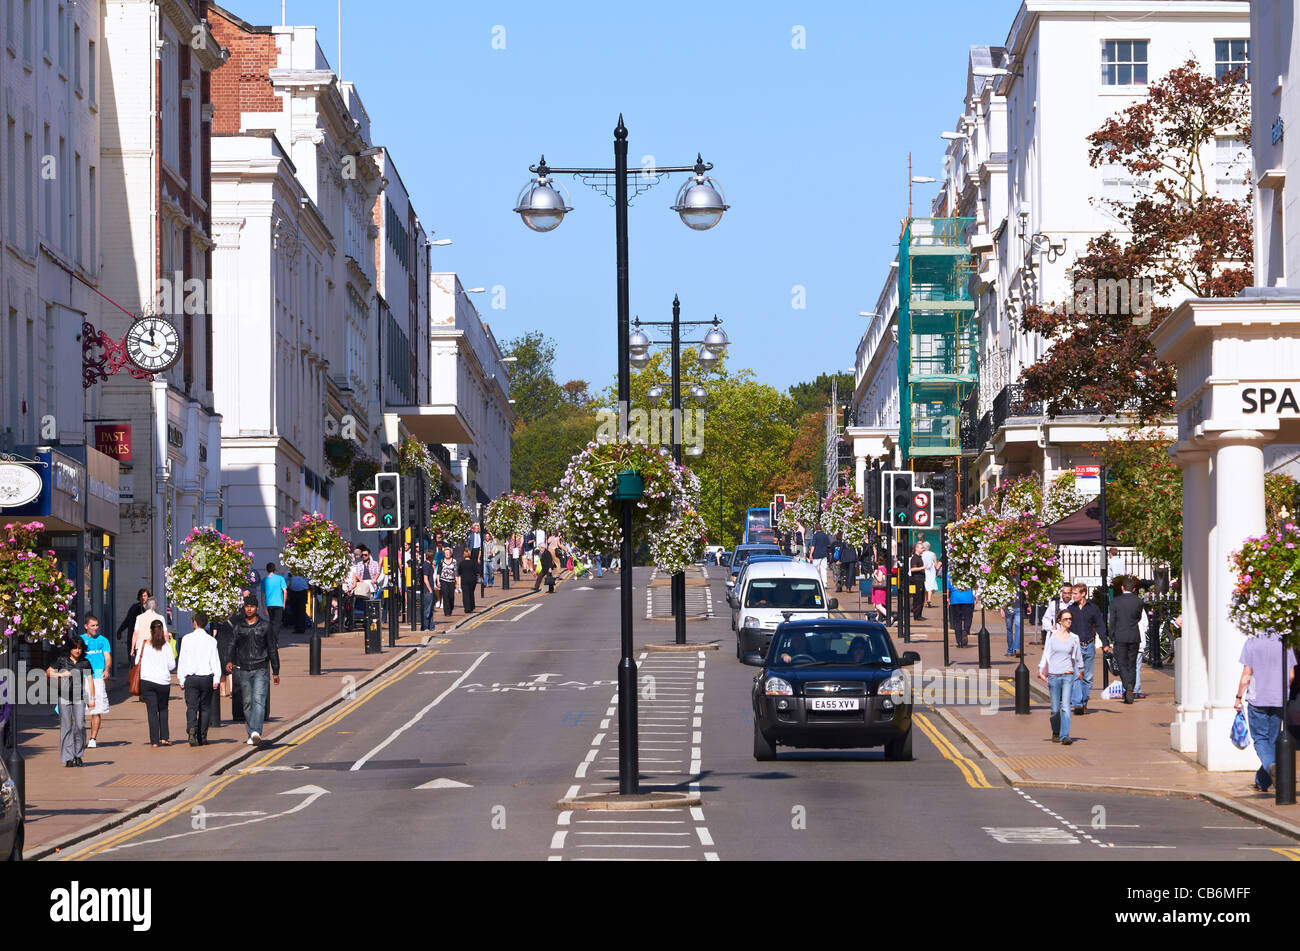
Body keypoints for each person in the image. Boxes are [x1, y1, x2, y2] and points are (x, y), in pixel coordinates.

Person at [1235, 633, 1297, 792]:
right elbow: (1291, 675)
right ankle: (1262, 781)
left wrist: (1238, 697)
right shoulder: (1285, 642)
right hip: (1279, 699)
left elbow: (1247, 673)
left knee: (1261, 740)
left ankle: (1271, 767)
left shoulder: (1252, 642)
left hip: (1258, 699)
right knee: (1272, 740)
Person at [227, 595, 280, 747]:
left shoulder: (265, 626)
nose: (249, 609)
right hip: (243, 668)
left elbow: (272, 648)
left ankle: (256, 731)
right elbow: (232, 644)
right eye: (246, 606)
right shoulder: (239, 626)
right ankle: (251, 733)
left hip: (260, 668)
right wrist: (229, 660)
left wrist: (275, 671)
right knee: (247, 702)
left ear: (257, 608)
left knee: (259, 700)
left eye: (252, 606)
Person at [1038, 610, 1083, 745]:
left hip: (1068, 674)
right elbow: (1046, 653)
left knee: (1065, 707)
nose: (1069, 621)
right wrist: (1041, 670)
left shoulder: (1074, 637)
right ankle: (1056, 731)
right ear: (1059, 621)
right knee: (1054, 709)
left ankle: (1065, 736)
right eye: (1066, 619)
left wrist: (1080, 670)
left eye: (1070, 619)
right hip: (1053, 676)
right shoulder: (1051, 635)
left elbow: (1078, 656)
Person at [47, 636, 94, 766]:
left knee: (80, 725)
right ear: (70, 649)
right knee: (66, 727)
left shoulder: (85, 662)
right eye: (75, 648)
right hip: (64, 697)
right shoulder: (62, 661)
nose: (77, 650)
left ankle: (78, 755)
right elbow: (48, 672)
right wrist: (60, 674)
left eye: (79, 648)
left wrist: (92, 698)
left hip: (79, 698)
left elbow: (90, 681)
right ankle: (68, 758)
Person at [177, 611, 221, 746]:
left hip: (191, 677)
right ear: (206, 623)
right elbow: (215, 660)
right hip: (206, 677)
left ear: (195, 623)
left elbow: (182, 660)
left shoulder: (186, 639)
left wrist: (181, 678)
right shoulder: (211, 640)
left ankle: (192, 728)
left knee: (191, 707)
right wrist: (216, 678)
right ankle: (202, 736)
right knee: (205, 708)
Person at [1063, 583, 1107, 715]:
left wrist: (1105, 643)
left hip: (1089, 646)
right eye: (1072, 593)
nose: (1073, 596)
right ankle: (1077, 704)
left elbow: (1100, 625)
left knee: (1088, 677)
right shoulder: (1071, 609)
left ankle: (1084, 702)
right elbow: (1065, 626)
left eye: (1075, 593)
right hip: (1076, 647)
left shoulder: (1093, 608)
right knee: (1077, 675)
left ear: (1083, 594)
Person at [135, 619, 176, 747]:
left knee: (151, 711)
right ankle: (164, 737)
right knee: (163, 709)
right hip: (163, 682)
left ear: (151, 630)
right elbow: (172, 665)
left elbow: (137, 662)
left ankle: (154, 741)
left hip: (147, 681)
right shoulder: (167, 646)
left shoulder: (144, 644)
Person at [1106, 576, 1145, 704]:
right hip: (1134, 636)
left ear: (1122, 588)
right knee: (1132, 664)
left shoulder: (1116, 602)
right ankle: (1130, 687)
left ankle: (1127, 685)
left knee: (1122, 664)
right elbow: (1138, 618)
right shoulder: (1139, 601)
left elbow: (1112, 621)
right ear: (1134, 589)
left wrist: (1111, 636)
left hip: (1120, 636)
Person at [80, 614, 111, 748]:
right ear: (86, 626)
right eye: (92, 625)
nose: (95, 628)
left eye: (97, 625)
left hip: (97, 675)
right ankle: (80, 738)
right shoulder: (80, 640)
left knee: (96, 708)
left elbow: (107, 657)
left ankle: (93, 738)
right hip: (83, 676)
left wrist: (106, 669)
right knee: (79, 708)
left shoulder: (103, 640)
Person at [131, 597, 167, 703]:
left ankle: (143, 693)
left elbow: (135, 633)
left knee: (142, 670)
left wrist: (132, 647)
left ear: (145, 606)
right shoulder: (160, 618)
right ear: (155, 606)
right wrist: (167, 646)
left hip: (141, 646)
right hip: (157, 645)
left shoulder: (139, 617)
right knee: (155, 667)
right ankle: (154, 691)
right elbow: (165, 633)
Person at [1040, 582, 1075, 647]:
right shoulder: (1054, 604)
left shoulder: (1075, 604)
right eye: (1065, 593)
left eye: (1069, 593)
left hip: (1071, 636)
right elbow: (1045, 619)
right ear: (1061, 593)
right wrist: (1051, 628)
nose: (1067, 595)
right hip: (1057, 636)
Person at [262, 562, 287, 638]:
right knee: (277, 623)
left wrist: (264, 607)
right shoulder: (280, 578)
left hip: (269, 604)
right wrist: (284, 603)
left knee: (272, 622)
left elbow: (262, 595)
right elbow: (285, 591)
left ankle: (272, 639)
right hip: (278, 604)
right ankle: (274, 640)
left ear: (267, 570)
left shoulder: (264, 580)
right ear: (275, 569)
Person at [948, 577, 975, 648]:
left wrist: (947, 598)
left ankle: (959, 641)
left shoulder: (950, 573)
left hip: (955, 599)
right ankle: (966, 630)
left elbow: (947, 588)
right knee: (968, 617)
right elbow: (974, 585)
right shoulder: (969, 572)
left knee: (957, 621)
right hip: (968, 598)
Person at [439, 546, 458, 616]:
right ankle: (446, 612)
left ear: (451, 553)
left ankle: (451, 607)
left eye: (448, 553)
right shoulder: (441, 561)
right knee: (445, 595)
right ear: (444, 554)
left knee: (451, 596)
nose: (447, 554)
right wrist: (438, 581)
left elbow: (456, 572)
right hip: (443, 580)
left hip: (452, 581)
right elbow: (439, 572)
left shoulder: (454, 561)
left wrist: (457, 582)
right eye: (446, 553)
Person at [909, 542, 926, 622]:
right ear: (917, 548)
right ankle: (916, 615)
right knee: (918, 598)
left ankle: (919, 614)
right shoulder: (914, 558)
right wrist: (922, 567)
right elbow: (912, 569)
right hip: (917, 581)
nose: (923, 549)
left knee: (922, 598)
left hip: (921, 580)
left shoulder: (919, 557)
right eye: (922, 548)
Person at [421, 549, 437, 630]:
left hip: (430, 589)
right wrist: (430, 589)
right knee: (427, 610)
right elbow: (425, 579)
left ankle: (431, 626)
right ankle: (425, 626)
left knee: (430, 609)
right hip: (427, 590)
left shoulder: (429, 565)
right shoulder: (426, 566)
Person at [459, 545, 478, 612]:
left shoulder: (461, 563)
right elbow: (477, 571)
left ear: (464, 555)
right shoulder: (473, 562)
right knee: (471, 593)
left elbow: (459, 572)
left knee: (465, 594)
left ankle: (467, 608)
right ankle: (472, 606)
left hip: (464, 579)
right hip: (472, 579)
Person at [921, 541, 939, 609]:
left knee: (926, 586)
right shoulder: (933, 554)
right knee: (931, 587)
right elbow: (935, 564)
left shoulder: (922, 554)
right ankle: (929, 600)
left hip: (924, 571)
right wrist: (937, 570)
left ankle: (926, 601)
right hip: (931, 572)